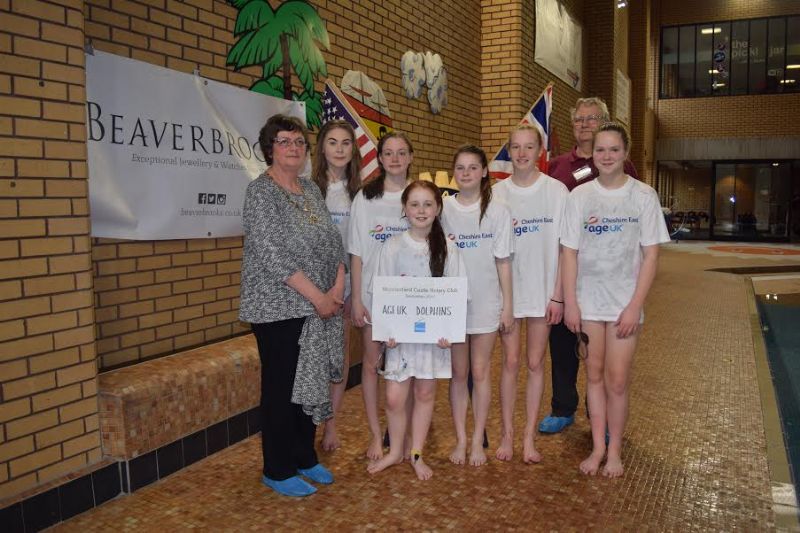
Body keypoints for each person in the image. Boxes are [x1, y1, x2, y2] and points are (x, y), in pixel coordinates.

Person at [239, 114, 346, 497]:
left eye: (299, 142)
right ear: (270, 148)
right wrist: (318, 297)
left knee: (310, 384)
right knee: (282, 389)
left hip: (317, 308)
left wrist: (336, 286)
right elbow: (272, 254)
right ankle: (278, 468)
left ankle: (304, 456)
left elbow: (334, 242)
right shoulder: (261, 192)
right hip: (278, 309)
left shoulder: (310, 190)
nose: (293, 148)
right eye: (284, 141)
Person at [560, 122, 670, 477]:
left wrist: (635, 305)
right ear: (592, 155)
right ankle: (597, 447)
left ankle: (616, 451)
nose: (606, 156)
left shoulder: (643, 196)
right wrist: (571, 303)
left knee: (617, 379)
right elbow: (569, 253)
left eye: (613, 149)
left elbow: (651, 256)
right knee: (593, 375)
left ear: (625, 153)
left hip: (624, 303)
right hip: (588, 302)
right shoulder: (579, 197)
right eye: (600, 150)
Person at [540, 97, 641, 434]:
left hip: (607, 279)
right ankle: (563, 407)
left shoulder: (623, 168)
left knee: (606, 360)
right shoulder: (556, 166)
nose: (584, 124)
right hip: (564, 268)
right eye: (579, 119)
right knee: (563, 344)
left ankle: (602, 416)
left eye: (592, 118)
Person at [366, 180, 466, 480]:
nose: (421, 210)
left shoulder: (448, 248)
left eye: (427, 204)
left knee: (424, 392)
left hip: (433, 339)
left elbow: (457, 294)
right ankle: (395, 451)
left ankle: (416, 453)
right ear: (404, 209)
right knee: (395, 398)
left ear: (437, 209)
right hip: (400, 339)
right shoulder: (393, 246)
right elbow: (382, 294)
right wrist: (386, 331)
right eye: (414, 204)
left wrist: (449, 330)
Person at [492, 124, 568, 463]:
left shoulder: (557, 192)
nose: (522, 153)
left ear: (540, 151)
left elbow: (567, 249)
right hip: (508, 294)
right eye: (515, 147)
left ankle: (528, 439)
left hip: (542, 292)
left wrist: (558, 296)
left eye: (528, 147)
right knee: (510, 362)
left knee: (536, 362)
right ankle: (507, 435)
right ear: (509, 151)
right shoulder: (496, 193)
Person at [441, 145, 514, 467]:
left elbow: (503, 263)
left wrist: (508, 305)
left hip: (486, 301)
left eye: (473, 167)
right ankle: (459, 439)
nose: (467, 173)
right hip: (453, 304)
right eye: (460, 167)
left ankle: (477, 440)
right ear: (454, 173)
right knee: (459, 373)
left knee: (481, 371)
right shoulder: (443, 209)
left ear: (484, 171)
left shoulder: (498, 210)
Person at [348, 132, 414, 460]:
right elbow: (357, 253)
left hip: (411, 299)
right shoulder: (365, 198)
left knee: (408, 367)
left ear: (411, 157)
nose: (395, 159)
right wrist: (357, 298)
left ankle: (405, 434)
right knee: (372, 366)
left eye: (402, 153)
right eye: (389, 153)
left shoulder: (420, 195)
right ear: (380, 158)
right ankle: (377, 434)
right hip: (375, 297)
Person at [312, 119, 362, 452]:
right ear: (322, 148)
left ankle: (332, 425)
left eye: (346, 143)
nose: (340, 149)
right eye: (333, 142)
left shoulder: (361, 192)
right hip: (314, 284)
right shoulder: (308, 188)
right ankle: (307, 423)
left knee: (339, 356)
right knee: (312, 355)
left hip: (346, 282)